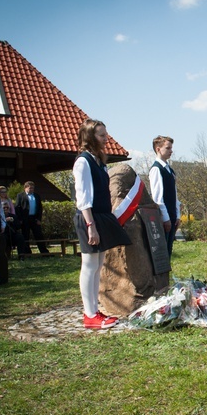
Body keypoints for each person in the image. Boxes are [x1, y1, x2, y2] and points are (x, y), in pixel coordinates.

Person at [73, 119, 132, 330]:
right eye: (101, 135)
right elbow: (83, 197)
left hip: (101, 216)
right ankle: (89, 315)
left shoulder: (98, 161)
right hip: (89, 218)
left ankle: (94, 310)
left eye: (106, 134)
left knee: (98, 266)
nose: (106, 138)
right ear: (89, 137)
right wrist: (91, 226)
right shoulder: (83, 162)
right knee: (89, 266)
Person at [149, 135, 180, 271]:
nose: (171, 151)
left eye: (171, 148)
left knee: (168, 251)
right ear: (158, 149)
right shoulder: (156, 169)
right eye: (168, 148)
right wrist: (166, 218)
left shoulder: (169, 169)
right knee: (162, 255)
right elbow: (157, 198)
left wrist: (177, 215)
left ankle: (165, 282)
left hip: (172, 216)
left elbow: (175, 195)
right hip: (164, 218)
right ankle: (159, 284)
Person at [15, 181, 49, 254]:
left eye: (33, 188)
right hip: (25, 219)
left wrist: (39, 219)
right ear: (25, 188)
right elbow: (17, 208)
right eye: (30, 188)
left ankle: (44, 251)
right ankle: (27, 252)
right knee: (25, 235)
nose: (31, 190)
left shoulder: (36, 196)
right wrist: (20, 219)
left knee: (39, 235)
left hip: (34, 218)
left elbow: (40, 208)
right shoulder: (20, 195)